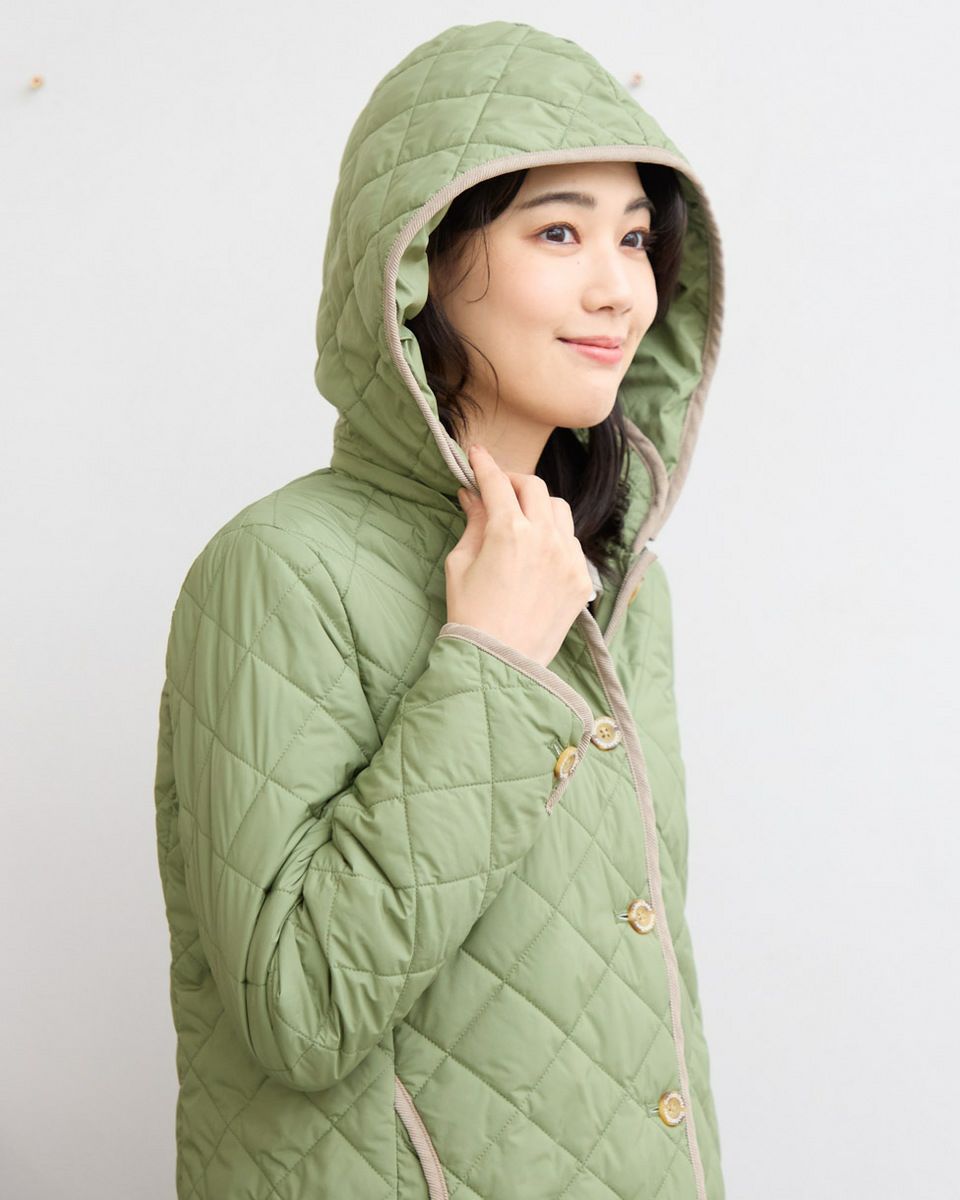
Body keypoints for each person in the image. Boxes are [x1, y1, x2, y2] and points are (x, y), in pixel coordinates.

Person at [153, 18, 726, 1200]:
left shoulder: (620, 580)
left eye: (635, 237)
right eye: (558, 231)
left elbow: (632, 997)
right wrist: (491, 662)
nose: (619, 288)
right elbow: (301, 1012)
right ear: (418, 263)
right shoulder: (279, 567)